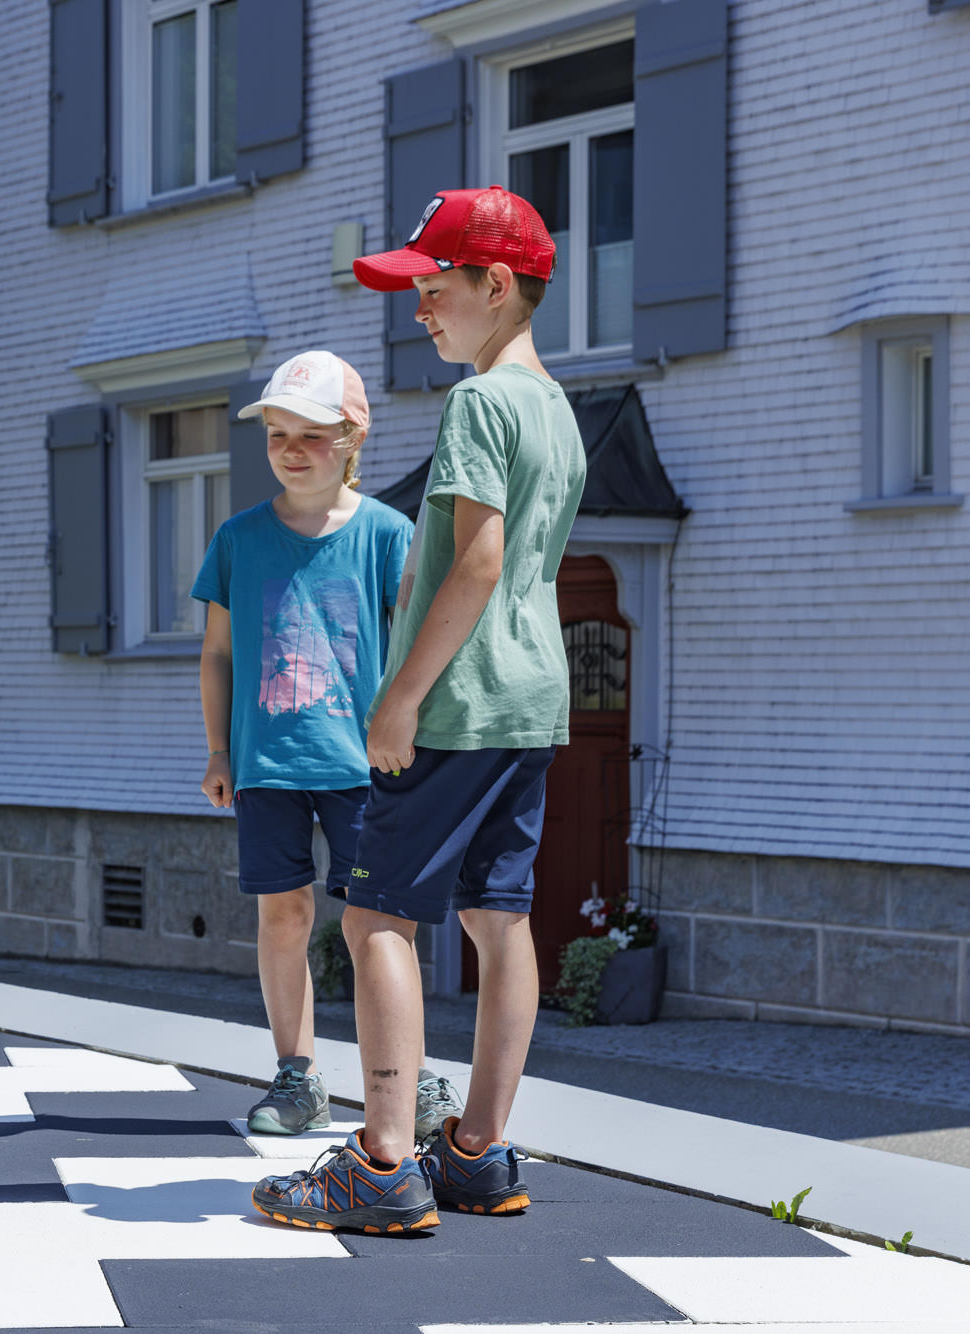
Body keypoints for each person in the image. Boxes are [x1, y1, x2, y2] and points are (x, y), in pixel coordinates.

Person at [252, 186, 585, 1233]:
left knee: (374, 916)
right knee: (498, 915)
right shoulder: (557, 408)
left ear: (498, 285)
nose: (420, 308)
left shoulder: (480, 403)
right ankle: (476, 1152)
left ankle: (384, 1160)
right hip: (531, 697)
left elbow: (476, 560)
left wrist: (397, 701)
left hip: (457, 702)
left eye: (436, 288)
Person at [192, 350, 463, 1140]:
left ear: (352, 439)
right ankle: (297, 1077)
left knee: (381, 926)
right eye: (278, 434)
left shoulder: (386, 534)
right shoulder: (238, 539)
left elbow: (418, 646)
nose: (291, 450)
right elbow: (217, 654)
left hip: (365, 766)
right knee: (284, 915)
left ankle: (411, 1078)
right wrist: (218, 750)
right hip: (266, 767)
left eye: (312, 434)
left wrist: (422, 738)